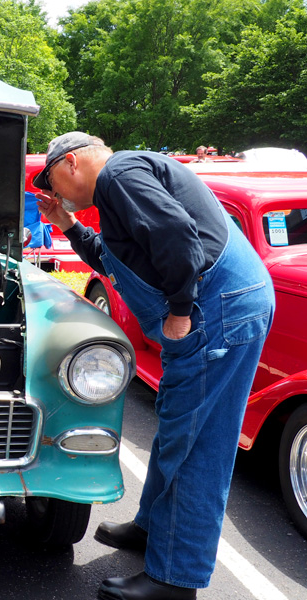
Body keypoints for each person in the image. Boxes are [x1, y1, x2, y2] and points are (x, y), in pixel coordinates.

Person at [33, 132, 274, 600]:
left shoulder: (119, 175)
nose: (56, 193)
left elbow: (178, 237)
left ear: (73, 162)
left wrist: (181, 309)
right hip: (221, 307)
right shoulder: (120, 186)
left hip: (214, 312)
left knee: (197, 444)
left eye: (54, 183)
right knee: (175, 425)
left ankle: (174, 579)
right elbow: (111, 258)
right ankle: (152, 530)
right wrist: (65, 222)